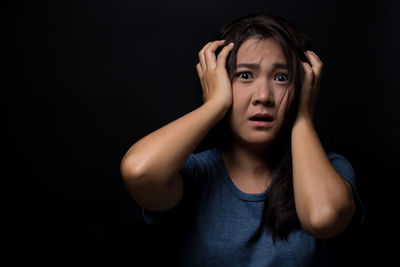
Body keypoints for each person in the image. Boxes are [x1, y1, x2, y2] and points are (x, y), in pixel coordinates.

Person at [120, 13, 364, 266]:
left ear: (302, 87)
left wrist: (302, 116)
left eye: (282, 77)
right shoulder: (195, 173)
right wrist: (215, 104)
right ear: (220, 81)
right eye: (245, 75)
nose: (264, 96)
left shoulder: (332, 169)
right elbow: (139, 171)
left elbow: (322, 218)